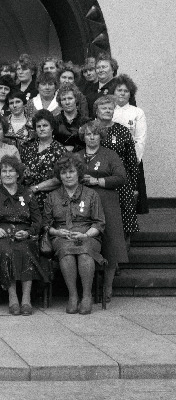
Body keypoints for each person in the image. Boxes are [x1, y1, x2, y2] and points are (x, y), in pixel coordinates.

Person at [0, 155, 46, 315]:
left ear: (18, 174)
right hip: (0, 236)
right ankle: (12, 297)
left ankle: (26, 299)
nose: (8, 174)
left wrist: (28, 232)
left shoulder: (28, 194)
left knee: (25, 249)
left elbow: (38, 222)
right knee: (6, 251)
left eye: (11, 171)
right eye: (4, 171)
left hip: (23, 235)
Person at [43, 153, 106, 315]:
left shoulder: (92, 194)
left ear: (78, 173)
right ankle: (72, 296)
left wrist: (86, 235)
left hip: (88, 235)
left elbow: (99, 223)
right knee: (66, 253)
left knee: (85, 253)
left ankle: (86, 296)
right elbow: (45, 224)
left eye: (71, 171)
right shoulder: (52, 196)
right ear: (59, 176)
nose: (68, 175)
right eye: (64, 173)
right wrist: (57, 231)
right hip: (62, 236)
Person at [77, 120, 128, 303]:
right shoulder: (77, 156)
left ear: (101, 136)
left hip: (107, 201)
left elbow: (121, 177)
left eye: (95, 134)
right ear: (83, 136)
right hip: (83, 203)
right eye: (88, 134)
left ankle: (108, 286)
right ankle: (87, 289)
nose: (92, 137)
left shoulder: (110, 155)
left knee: (111, 242)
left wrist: (98, 181)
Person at [93, 95, 139, 241]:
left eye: (110, 108)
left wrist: (134, 186)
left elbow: (132, 160)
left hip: (120, 183)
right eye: (103, 107)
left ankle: (122, 259)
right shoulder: (88, 130)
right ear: (96, 110)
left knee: (123, 223)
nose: (107, 110)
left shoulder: (123, 131)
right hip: (95, 182)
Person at [112, 74, 147, 214]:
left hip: (131, 160)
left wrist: (134, 161)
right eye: (119, 90)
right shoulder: (108, 110)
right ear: (113, 92)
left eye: (126, 91)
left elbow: (140, 139)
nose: (122, 93)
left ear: (130, 94)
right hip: (110, 161)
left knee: (130, 201)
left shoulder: (137, 112)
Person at [19, 110, 66, 207]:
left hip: (51, 200)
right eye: (38, 126)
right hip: (28, 199)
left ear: (52, 128)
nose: (41, 129)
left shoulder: (60, 150)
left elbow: (61, 178)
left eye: (45, 126)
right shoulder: (29, 148)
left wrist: (36, 188)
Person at [54, 83, 87, 152]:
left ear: (76, 99)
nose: (67, 102)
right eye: (63, 99)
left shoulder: (86, 122)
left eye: (70, 98)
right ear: (60, 102)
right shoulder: (54, 121)